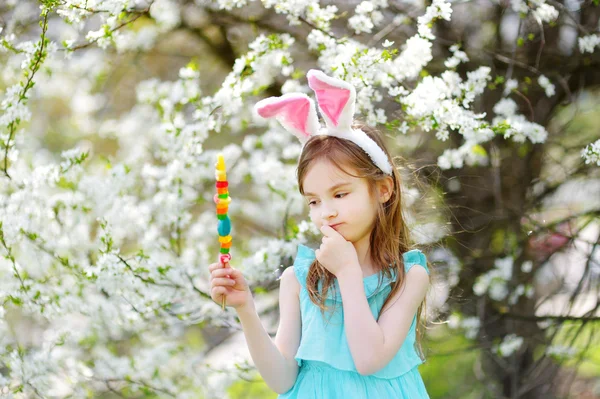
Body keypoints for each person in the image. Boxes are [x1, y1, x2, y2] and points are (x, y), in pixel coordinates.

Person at [208, 69, 431, 398]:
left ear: (383, 189)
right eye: (314, 200)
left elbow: (369, 359)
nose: (326, 211)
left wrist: (348, 272)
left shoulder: (408, 276)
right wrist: (246, 309)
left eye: (340, 194)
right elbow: (284, 380)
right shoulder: (299, 279)